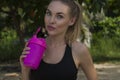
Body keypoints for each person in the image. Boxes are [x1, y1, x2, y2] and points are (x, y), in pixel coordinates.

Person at [20, 0, 98, 80]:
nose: (51, 21)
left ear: (72, 21)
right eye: (48, 13)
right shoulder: (33, 46)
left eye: (59, 16)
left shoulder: (79, 50)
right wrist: (25, 70)